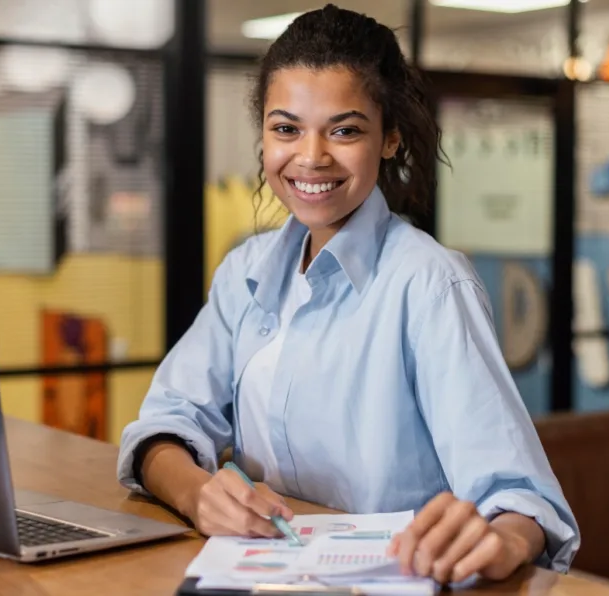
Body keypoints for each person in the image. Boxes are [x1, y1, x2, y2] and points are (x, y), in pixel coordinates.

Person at [117, 4, 580, 585]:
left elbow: (521, 501)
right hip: (263, 576)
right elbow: (164, 424)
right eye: (286, 128)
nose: (311, 156)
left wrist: (498, 539)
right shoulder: (245, 273)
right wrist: (198, 494)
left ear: (388, 139)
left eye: (345, 130)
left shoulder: (430, 284)